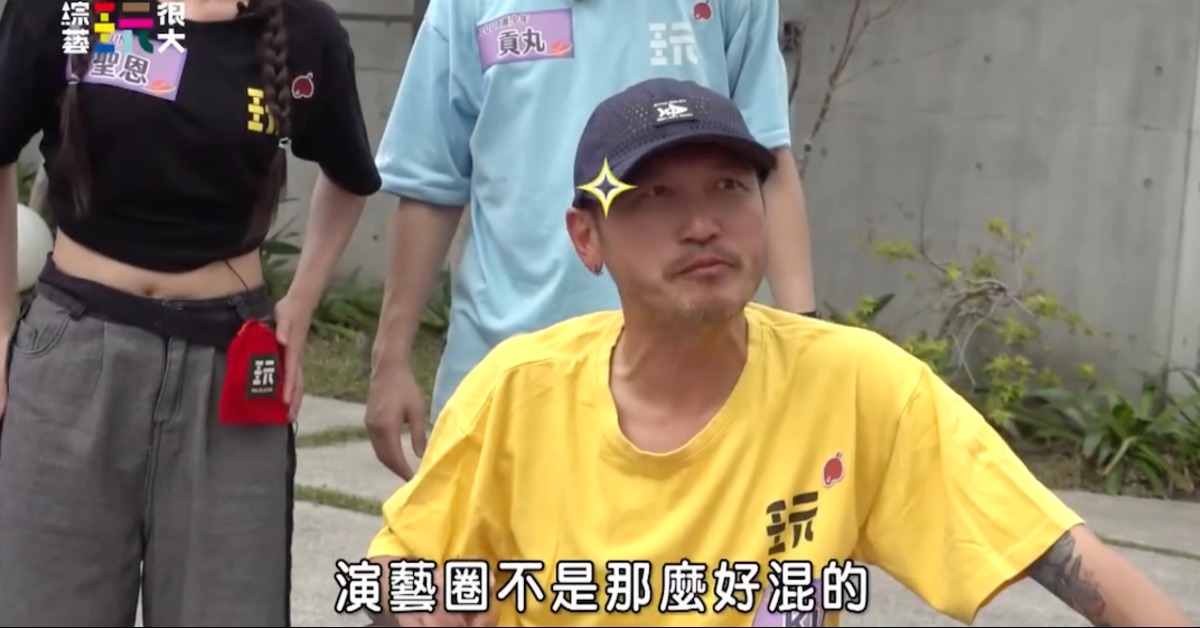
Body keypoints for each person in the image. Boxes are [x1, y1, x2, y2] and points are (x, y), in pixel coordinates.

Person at [359, 79, 1193, 628]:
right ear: (587, 237)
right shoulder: (515, 392)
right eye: (655, 197)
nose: (702, 225)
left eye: (729, 188)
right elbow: (395, 575)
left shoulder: (857, 384)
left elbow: (1062, 553)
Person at [0, 0, 381, 624]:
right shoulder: (66, 11)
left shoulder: (302, 28)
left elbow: (351, 175)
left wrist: (302, 301)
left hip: (230, 366)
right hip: (72, 359)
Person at [365, 0, 817, 480]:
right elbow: (431, 184)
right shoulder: (465, 7)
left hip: (692, 385)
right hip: (504, 376)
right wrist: (390, 359)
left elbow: (768, 160)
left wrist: (807, 346)